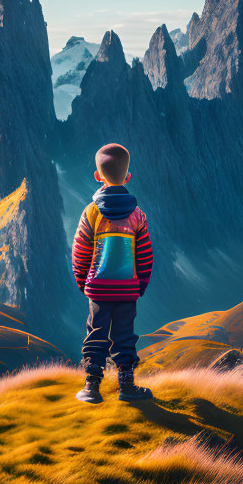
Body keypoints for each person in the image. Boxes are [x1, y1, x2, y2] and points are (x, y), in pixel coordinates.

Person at [70, 142, 154, 403]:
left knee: (96, 333)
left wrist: (84, 282)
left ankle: (91, 387)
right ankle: (126, 386)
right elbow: (145, 256)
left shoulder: (91, 212)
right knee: (125, 335)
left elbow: (80, 251)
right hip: (127, 290)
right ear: (128, 177)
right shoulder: (137, 216)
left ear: (98, 176)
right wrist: (139, 285)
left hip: (98, 288)